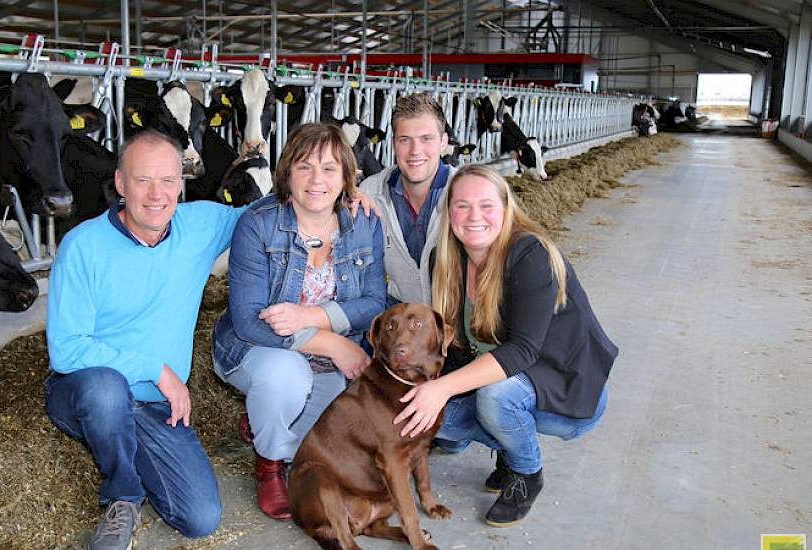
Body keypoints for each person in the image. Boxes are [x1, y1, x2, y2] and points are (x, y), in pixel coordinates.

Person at [44, 130, 243, 550]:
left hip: (154, 404)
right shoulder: (83, 246)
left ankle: (125, 439)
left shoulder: (202, 224)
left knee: (201, 518)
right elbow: (66, 349)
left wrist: (346, 196)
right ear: (119, 183)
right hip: (84, 388)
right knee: (105, 391)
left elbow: (268, 213)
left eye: (168, 181)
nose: (157, 195)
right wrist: (156, 370)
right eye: (142, 180)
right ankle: (123, 497)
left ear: (181, 182)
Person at [392, 164, 618, 527]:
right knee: (429, 419)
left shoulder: (530, 255)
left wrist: (442, 390)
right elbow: (455, 347)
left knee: (495, 397)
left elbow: (522, 352)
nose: (473, 216)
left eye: (486, 205)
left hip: (567, 391)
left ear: (506, 208)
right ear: (448, 213)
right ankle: (507, 442)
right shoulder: (446, 260)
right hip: (507, 382)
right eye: (462, 206)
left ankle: (526, 473)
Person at [212, 123, 387, 520]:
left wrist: (313, 316)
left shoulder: (364, 223)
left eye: (329, 168)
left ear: (346, 176)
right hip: (259, 349)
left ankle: (270, 425)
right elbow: (247, 321)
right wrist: (332, 342)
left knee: (347, 419)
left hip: (326, 353)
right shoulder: (259, 224)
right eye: (304, 167)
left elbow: (375, 300)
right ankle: (271, 465)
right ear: (287, 172)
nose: (316, 180)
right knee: (286, 377)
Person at [359, 92, 453, 306]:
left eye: (426, 139)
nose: (415, 151)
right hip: (399, 320)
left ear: (443, 142)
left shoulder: (467, 192)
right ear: (393, 143)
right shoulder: (370, 192)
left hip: (459, 324)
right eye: (405, 140)